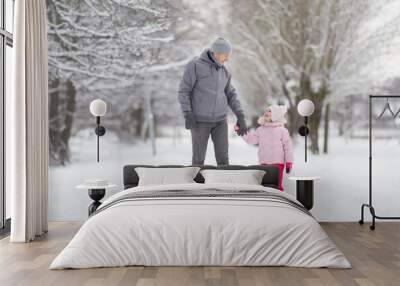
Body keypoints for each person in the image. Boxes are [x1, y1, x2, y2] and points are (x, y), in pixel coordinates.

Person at [178, 37, 247, 166]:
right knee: (198, 160)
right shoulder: (195, 66)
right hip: (200, 121)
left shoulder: (224, 71)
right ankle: (197, 185)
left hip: (220, 121)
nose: (227, 59)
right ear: (216, 53)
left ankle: (224, 184)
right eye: (225, 55)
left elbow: (231, 94)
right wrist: (187, 113)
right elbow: (184, 91)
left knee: (223, 160)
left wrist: (240, 115)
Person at [236, 105, 293, 191]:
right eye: (266, 111)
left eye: (269, 111)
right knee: (264, 185)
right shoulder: (260, 130)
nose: (266, 113)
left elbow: (288, 148)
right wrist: (241, 131)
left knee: (277, 186)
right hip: (263, 163)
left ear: (276, 115)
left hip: (277, 164)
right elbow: (251, 140)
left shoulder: (282, 130)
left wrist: (289, 162)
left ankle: (278, 201)